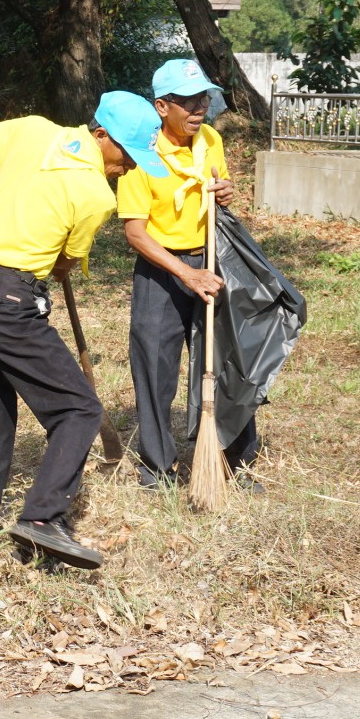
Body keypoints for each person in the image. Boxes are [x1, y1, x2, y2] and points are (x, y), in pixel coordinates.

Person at [0, 91, 159, 570]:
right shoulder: (95, 196)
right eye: (127, 154)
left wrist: (18, 177)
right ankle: (43, 518)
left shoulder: (33, 131)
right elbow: (63, 264)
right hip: (9, 301)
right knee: (78, 409)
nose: (129, 167)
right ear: (101, 134)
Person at [120, 59, 259, 493]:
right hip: (161, 270)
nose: (199, 108)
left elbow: (221, 192)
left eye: (202, 98)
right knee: (154, 368)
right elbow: (135, 232)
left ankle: (233, 460)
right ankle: (157, 468)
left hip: (211, 261)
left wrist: (226, 194)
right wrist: (186, 274)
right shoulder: (141, 152)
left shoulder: (210, 139)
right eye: (187, 101)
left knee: (225, 363)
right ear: (161, 107)